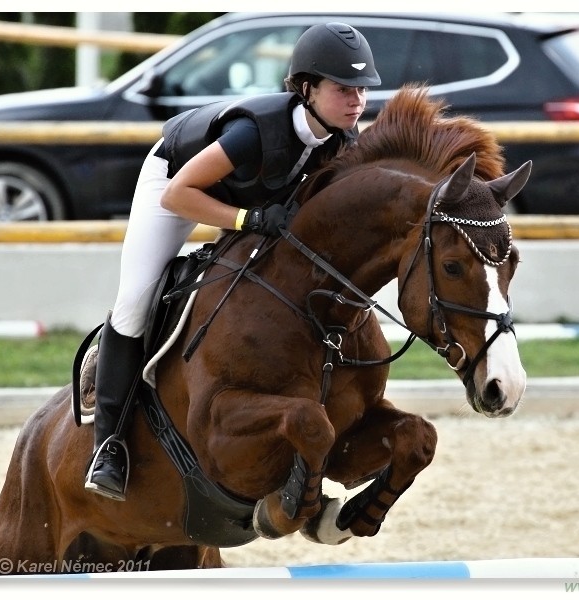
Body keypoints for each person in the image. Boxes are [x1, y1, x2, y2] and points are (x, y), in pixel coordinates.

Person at [84, 22, 381, 501]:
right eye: (344, 88)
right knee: (135, 301)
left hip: (246, 199)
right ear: (307, 88)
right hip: (175, 183)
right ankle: (109, 446)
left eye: (363, 89)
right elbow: (181, 195)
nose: (357, 100)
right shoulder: (252, 133)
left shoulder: (341, 141)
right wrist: (247, 218)